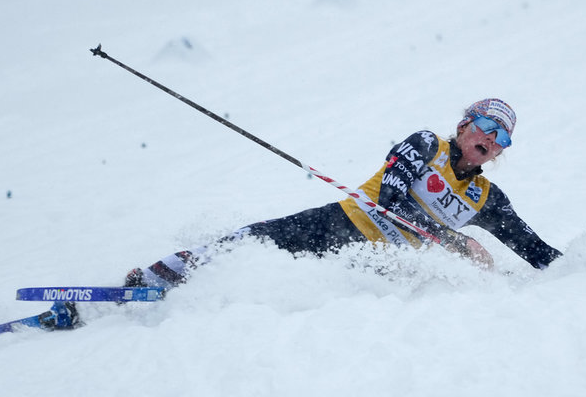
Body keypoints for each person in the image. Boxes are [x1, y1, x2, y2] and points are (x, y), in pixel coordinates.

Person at [125, 98, 562, 289]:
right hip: (342, 225)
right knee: (254, 241)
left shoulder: (487, 198)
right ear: (465, 125)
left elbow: (535, 251)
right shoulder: (428, 143)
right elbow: (392, 196)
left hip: (379, 266)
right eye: (486, 126)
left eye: (503, 138)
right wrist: (456, 241)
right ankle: (160, 276)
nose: (492, 139)